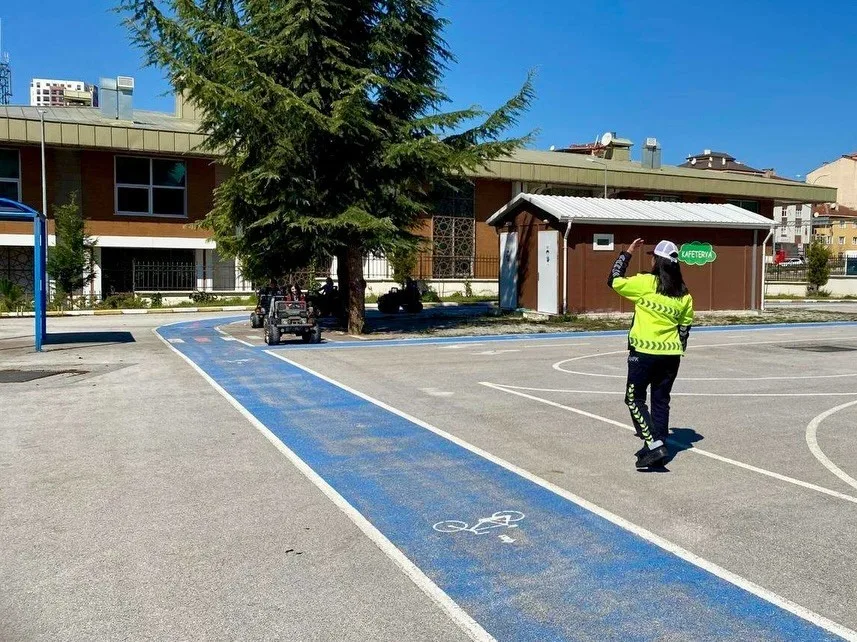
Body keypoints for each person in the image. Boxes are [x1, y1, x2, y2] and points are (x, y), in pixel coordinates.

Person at [608, 238, 694, 469]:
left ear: (656, 260)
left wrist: (627, 253)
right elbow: (684, 328)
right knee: (660, 400)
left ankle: (653, 443)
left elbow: (613, 280)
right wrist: (678, 349)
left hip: (644, 353)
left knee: (634, 399)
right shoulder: (684, 294)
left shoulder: (645, 282)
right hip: (671, 355)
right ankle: (659, 441)